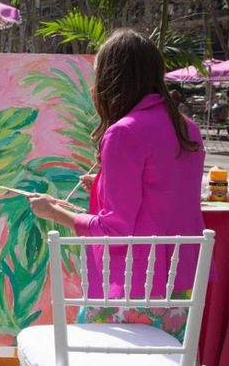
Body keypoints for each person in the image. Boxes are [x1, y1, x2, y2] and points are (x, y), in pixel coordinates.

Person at [27, 29, 208, 341]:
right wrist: (102, 184)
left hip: (130, 292)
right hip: (177, 291)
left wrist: (54, 212)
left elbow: (115, 229)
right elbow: (161, 193)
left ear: (113, 78)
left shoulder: (124, 132)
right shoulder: (186, 127)